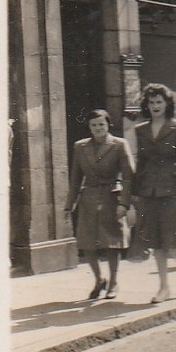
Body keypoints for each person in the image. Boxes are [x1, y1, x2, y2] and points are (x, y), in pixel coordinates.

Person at [131, 83, 176, 304]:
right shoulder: (141, 130)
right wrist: (136, 192)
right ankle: (164, 287)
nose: (155, 106)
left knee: (174, 239)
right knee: (156, 241)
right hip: (149, 190)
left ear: (168, 104)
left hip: (172, 189)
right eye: (151, 102)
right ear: (146, 105)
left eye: (159, 102)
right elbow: (140, 162)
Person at [67, 108, 134, 301]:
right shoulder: (80, 146)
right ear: (89, 127)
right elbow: (75, 178)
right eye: (94, 125)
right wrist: (69, 204)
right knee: (88, 243)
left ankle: (113, 282)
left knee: (111, 242)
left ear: (108, 125)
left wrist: (124, 203)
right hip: (88, 198)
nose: (98, 128)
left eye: (101, 124)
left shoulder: (120, 145)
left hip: (111, 197)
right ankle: (99, 280)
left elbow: (129, 177)